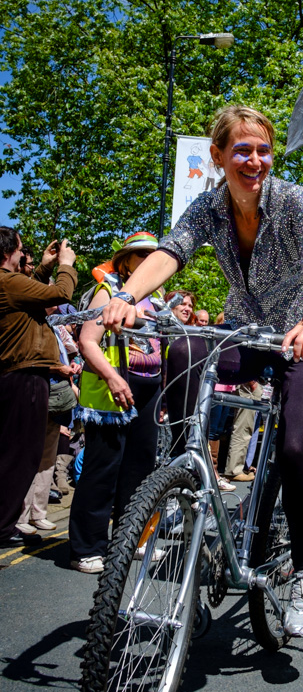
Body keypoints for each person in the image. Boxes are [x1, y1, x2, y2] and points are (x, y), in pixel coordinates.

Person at [103, 105, 303, 637]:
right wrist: (126, 296)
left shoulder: (294, 200)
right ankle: (193, 481)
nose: (254, 161)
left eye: (263, 150)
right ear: (218, 157)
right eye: (241, 150)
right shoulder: (208, 208)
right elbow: (171, 252)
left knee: (294, 449)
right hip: (246, 333)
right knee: (185, 347)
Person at [68, 232, 162, 573]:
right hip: (111, 393)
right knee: (102, 470)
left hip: (149, 391)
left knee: (139, 470)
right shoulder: (107, 291)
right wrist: (112, 376)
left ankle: (132, 538)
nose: (148, 264)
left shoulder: (157, 298)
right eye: (141, 257)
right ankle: (87, 547)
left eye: (154, 259)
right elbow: (88, 341)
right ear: (126, 262)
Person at [0, 228, 77, 546]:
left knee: (16, 453)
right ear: (10, 252)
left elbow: (30, 291)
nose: (25, 256)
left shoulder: (11, 284)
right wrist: (66, 265)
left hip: (21, 377)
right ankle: (3, 528)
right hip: (25, 378)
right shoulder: (7, 281)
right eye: (21, 251)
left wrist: (45, 266)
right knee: (21, 456)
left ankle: (5, 523)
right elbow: (60, 295)